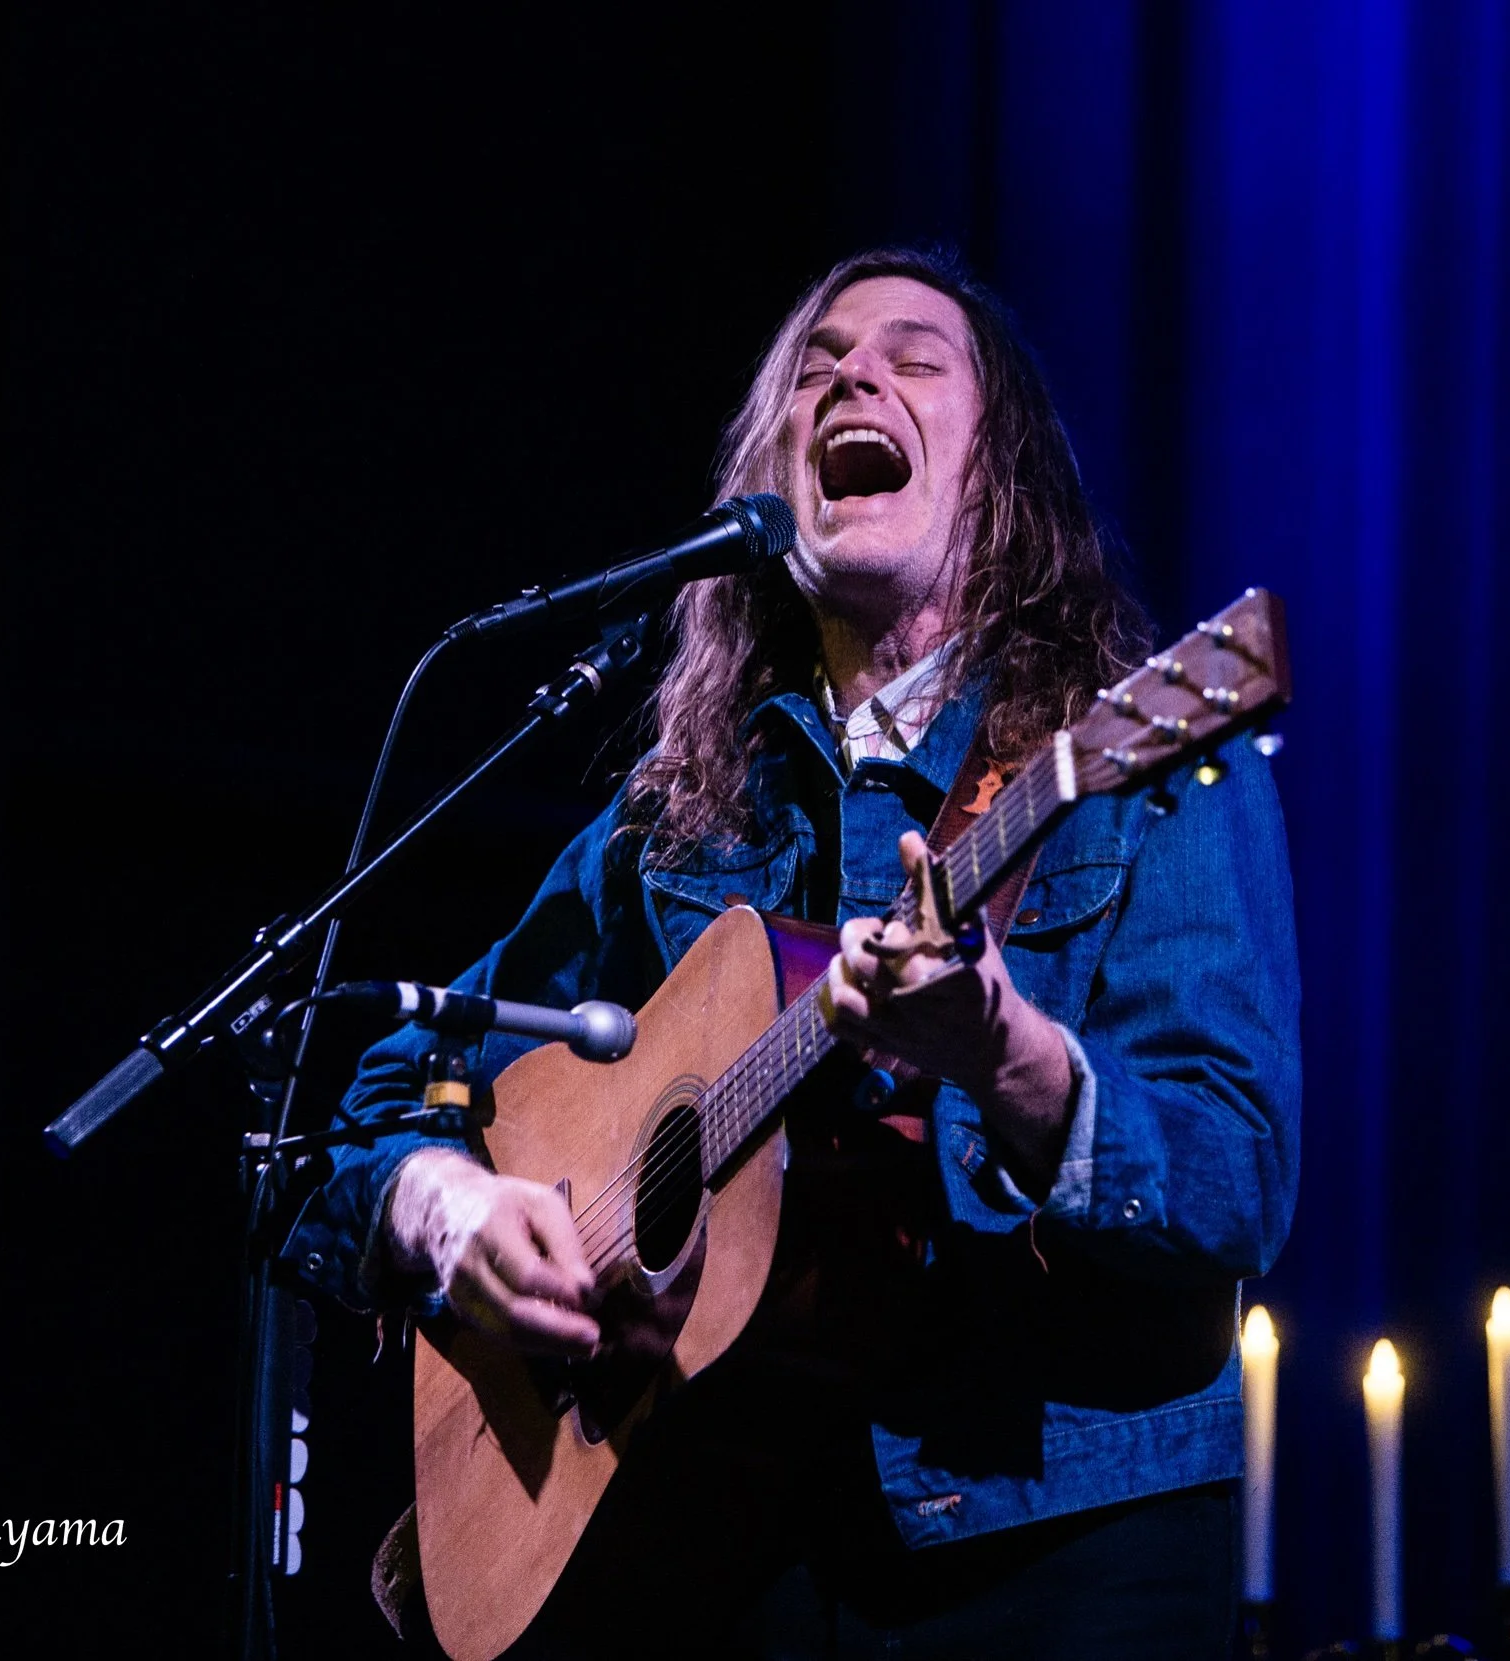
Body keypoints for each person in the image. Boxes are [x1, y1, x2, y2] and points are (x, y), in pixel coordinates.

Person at [280, 246, 1301, 1659]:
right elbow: (387, 1087)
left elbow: (1234, 1180)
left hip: (1060, 1551)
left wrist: (1007, 1061)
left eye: (912, 358)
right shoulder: (679, 825)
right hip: (731, 1543)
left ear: (1001, 477)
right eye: (816, 365)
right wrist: (452, 1222)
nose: (852, 377)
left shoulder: (1137, 764)